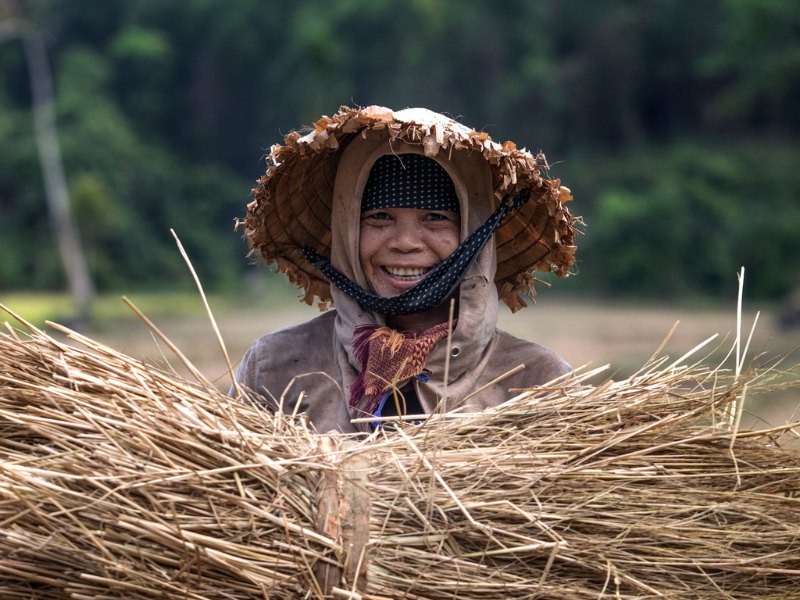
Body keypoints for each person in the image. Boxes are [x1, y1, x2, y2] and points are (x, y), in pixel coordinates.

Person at [236, 105, 581, 434]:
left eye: (435, 219)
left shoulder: (537, 383)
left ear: (475, 234)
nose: (405, 242)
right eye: (380, 218)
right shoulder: (274, 370)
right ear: (347, 232)